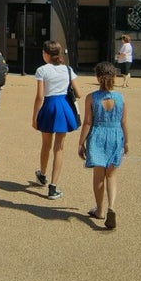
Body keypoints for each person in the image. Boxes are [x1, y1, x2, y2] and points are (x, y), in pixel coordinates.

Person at [78, 61, 128, 229]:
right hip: (115, 135)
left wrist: (81, 142)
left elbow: (87, 122)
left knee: (98, 176)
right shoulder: (120, 97)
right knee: (111, 175)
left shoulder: (91, 97)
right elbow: (124, 121)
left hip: (97, 135)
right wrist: (126, 141)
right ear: (114, 77)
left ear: (98, 78)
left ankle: (99, 210)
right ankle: (111, 207)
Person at [32, 40, 81, 200]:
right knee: (59, 148)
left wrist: (35, 117)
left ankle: (43, 174)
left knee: (46, 144)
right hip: (63, 106)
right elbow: (79, 93)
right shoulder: (68, 69)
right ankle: (53, 187)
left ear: (46, 54)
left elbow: (39, 96)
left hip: (49, 106)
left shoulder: (42, 70)